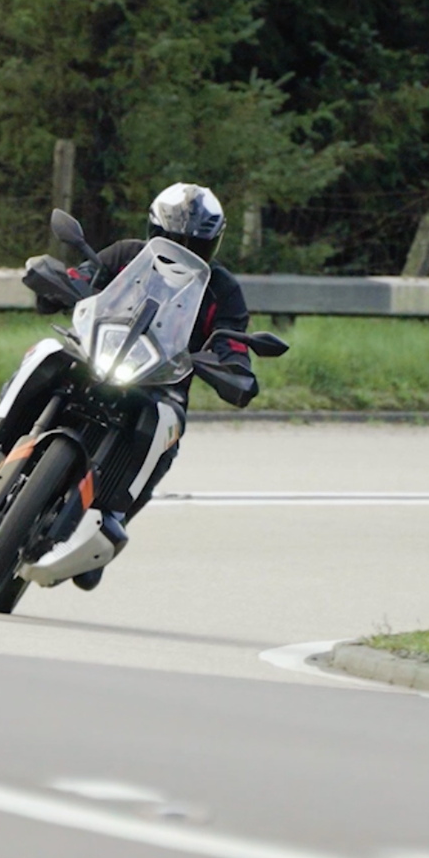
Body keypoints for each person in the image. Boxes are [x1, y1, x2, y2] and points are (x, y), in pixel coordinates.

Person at [30, 181, 259, 589]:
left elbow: (234, 344)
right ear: (154, 232)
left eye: (195, 246)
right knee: (47, 355)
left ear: (213, 246)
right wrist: (58, 284)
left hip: (161, 387)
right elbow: (82, 276)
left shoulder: (223, 291)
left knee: (166, 432)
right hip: (97, 355)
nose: (181, 252)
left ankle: (111, 519)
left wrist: (234, 368)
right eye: (171, 241)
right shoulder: (125, 255)